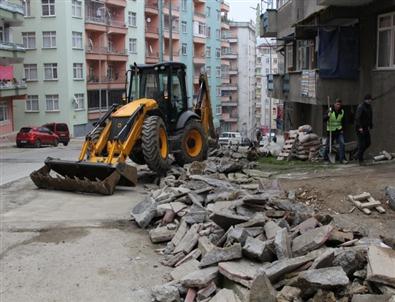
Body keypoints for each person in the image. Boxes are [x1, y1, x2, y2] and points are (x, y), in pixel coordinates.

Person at [324, 99, 347, 164]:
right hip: (331, 131)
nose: (338, 106)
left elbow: (344, 121)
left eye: (339, 104)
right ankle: (325, 159)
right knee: (328, 145)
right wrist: (328, 115)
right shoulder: (330, 110)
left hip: (339, 131)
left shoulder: (342, 111)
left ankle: (342, 159)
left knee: (342, 143)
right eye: (337, 104)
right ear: (334, 104)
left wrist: (342, 129)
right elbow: (324, 119)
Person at [355, 94, 373, 165]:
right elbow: (357, 118)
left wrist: (370, 125)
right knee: (362, 144)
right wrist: (360, 127)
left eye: (370, 99)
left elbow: (370, 116)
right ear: (365, 100)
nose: (370, 101)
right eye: (369, 99)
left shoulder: (369, 107)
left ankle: (357, 154)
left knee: (368, 143)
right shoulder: (361, 107)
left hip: (366, 128)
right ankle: (360, 160)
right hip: (360, 128)